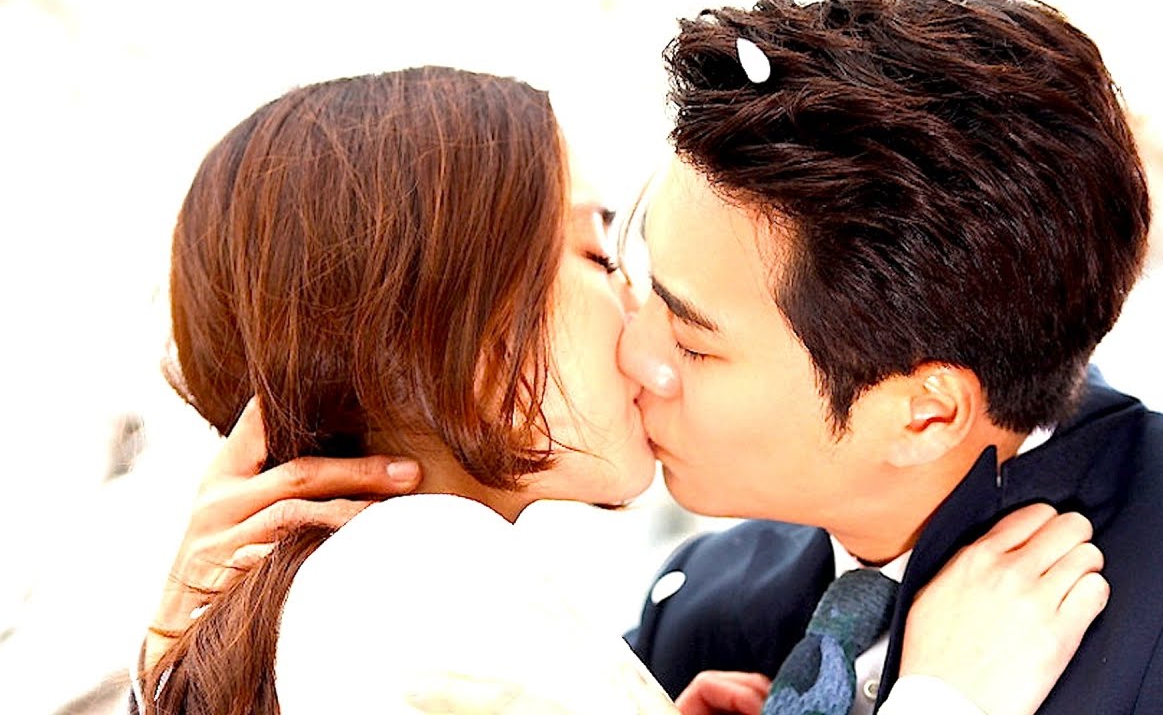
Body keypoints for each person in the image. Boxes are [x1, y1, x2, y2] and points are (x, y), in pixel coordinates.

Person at [134, 63, 1105, 715]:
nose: (644, 327)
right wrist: (946, 697)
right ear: (455, 330)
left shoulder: (367, 587)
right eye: (599, 257)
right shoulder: (420, 570)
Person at [619, 0, 1163, 714]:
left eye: (691, 340)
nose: (632, 352)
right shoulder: (701, 608)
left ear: (926, 415)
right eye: (639, 282)